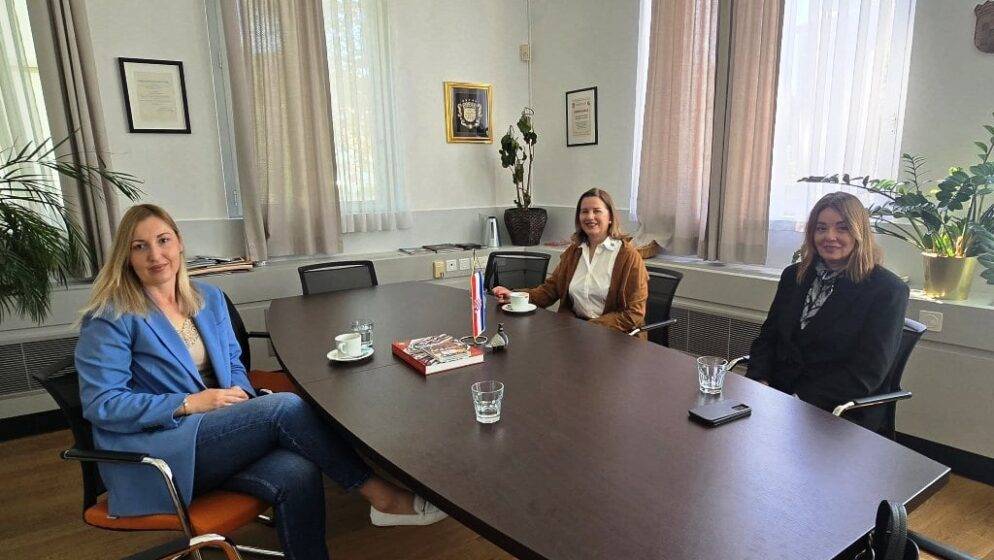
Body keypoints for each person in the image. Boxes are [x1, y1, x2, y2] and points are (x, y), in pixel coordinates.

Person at [75, 204, 445, 559]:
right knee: (286, 406)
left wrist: (242, 397)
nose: (155, 255)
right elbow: (102, 404)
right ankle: (381, 496)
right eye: (140, 246)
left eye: (163, 240)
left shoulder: (208, 298)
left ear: (180, 242)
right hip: (163, 450)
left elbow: (232, 362)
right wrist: (190, 403)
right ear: (127, 256)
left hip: (216, 432)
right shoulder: (112, 316)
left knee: (298, 472)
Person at [746, 192, 910, 432]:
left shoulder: (887, 290)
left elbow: (867, 373)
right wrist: (759, 381)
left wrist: (798, 400)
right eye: (821, 228)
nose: (830, 237)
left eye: (842, 228)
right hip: (777, 398)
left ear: (859, 233)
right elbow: (768, 338)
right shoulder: (794, 276)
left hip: (837, 410)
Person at [492, 188, 648, 336]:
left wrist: (590, 327)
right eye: (584, 211)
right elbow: (550, 290)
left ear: (610, 217)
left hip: (614, 338)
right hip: (573, 333)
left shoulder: (628, 257)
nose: (590, 217)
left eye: (597, 211)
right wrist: (515, 296)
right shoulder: (574, 252)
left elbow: (634, 313)